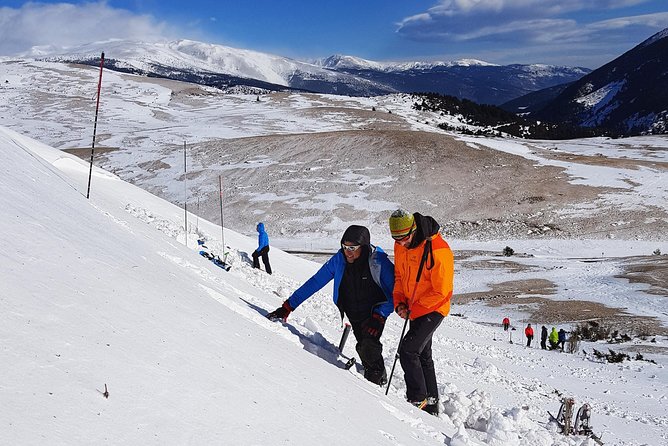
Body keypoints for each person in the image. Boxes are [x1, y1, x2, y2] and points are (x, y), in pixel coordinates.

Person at [266, 225, 394, 385]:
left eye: (353, 248)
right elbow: (315, 282)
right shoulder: (339, 260)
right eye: (345, 247)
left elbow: (396, 291)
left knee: (369, 346)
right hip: (353, 313)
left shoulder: (378, 262)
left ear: (364, 246)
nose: (348, 251)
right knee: (362, 346)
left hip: (374, 314)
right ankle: (372, 373)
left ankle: (376, 382)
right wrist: (288, 306)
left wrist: (380, 314)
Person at [389, 209, 454, 416]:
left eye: (404, 238)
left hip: (434, 308)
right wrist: (399, 302)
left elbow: (441, 292)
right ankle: (431, 404)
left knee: (408, 350)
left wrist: (413, 310)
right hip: (412, 308)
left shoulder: (439, 250)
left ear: (414, 229)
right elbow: (399, 276)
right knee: (423, 354)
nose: (401, 244)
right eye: (396, 239)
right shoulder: (400, 246)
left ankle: (418, 400)